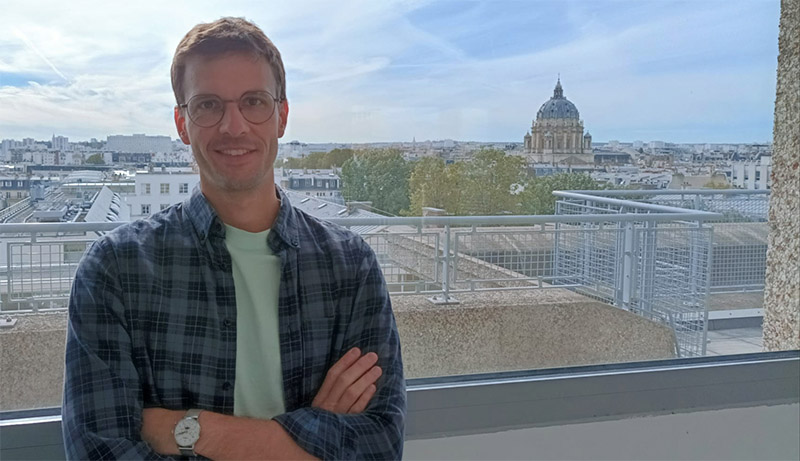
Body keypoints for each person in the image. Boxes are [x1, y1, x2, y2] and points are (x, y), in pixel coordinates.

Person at [61, 17, 405, 460]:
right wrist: (310, 439)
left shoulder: (350, 266)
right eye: (207, 105)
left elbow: (379, 447)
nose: (234, 126)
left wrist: (193, 430)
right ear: (182, 124)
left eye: (254, 102)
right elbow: (96, 453)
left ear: (281, 116)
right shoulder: (115, 270)